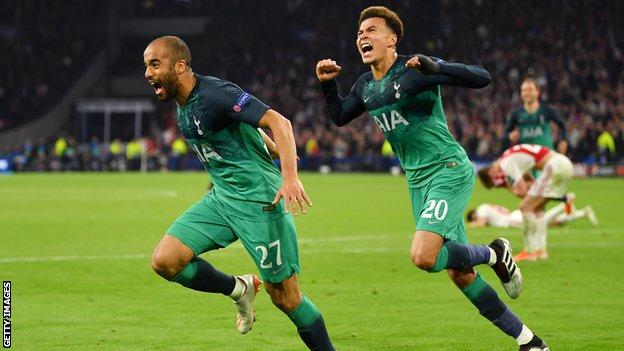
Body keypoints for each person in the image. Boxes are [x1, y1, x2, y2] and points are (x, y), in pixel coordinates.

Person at [315, 6, 548, 351]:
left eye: (371, 30)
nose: (362, 36)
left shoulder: (414, 69)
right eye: (359, 32)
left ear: (392, 40)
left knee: (424, 256)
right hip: (418, 183)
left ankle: (494, 253)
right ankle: (530, 341)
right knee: (459, 272)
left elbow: (481, 77)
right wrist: (328, 85)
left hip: (447, 170)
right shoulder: (365, 85)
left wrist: (437, 68)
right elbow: (338, 117)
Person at [144, 36, 335, 350]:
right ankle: (239, 289)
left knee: (286, 298)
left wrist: (289, 177)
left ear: (180, 66)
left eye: (155, 64)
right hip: (222, 200)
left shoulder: (215, 94)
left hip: (260, 202)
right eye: (146, 66)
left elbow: (279, 122)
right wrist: (271, 149)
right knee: (165, 260)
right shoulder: (183, 104)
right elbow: (247, 130)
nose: (148, 73)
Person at [478, 144, 574, 262]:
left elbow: (523, 190)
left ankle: (530, 251)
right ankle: (541, 251)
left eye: (493, 180)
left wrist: (512, 189)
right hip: (563, 164)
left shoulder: (506, 164)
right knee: (537, 208)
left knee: (525, 207)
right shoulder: (509, 156)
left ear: (490, 173)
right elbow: (531, 182)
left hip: (554, 166)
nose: (497, 179)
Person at [504, 77, 568, 154]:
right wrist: (510, 135)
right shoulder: (516, 114)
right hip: (525, 158)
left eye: (530, 89)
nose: (526, 93)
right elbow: (505, 134)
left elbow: (562, 125)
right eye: (523, 90)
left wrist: (563, 140)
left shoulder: (547, 111)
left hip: (546, 156)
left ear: (538, 92)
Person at [467, 202, 598, 231]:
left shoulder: (481, 210)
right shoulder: (487, 206)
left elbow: (481, 223)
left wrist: (469, 225)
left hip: (513, 220)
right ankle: (583, 213)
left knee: (543, 222)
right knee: (552, 224)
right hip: (514, 215)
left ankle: (563, 205)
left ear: (473, 215)